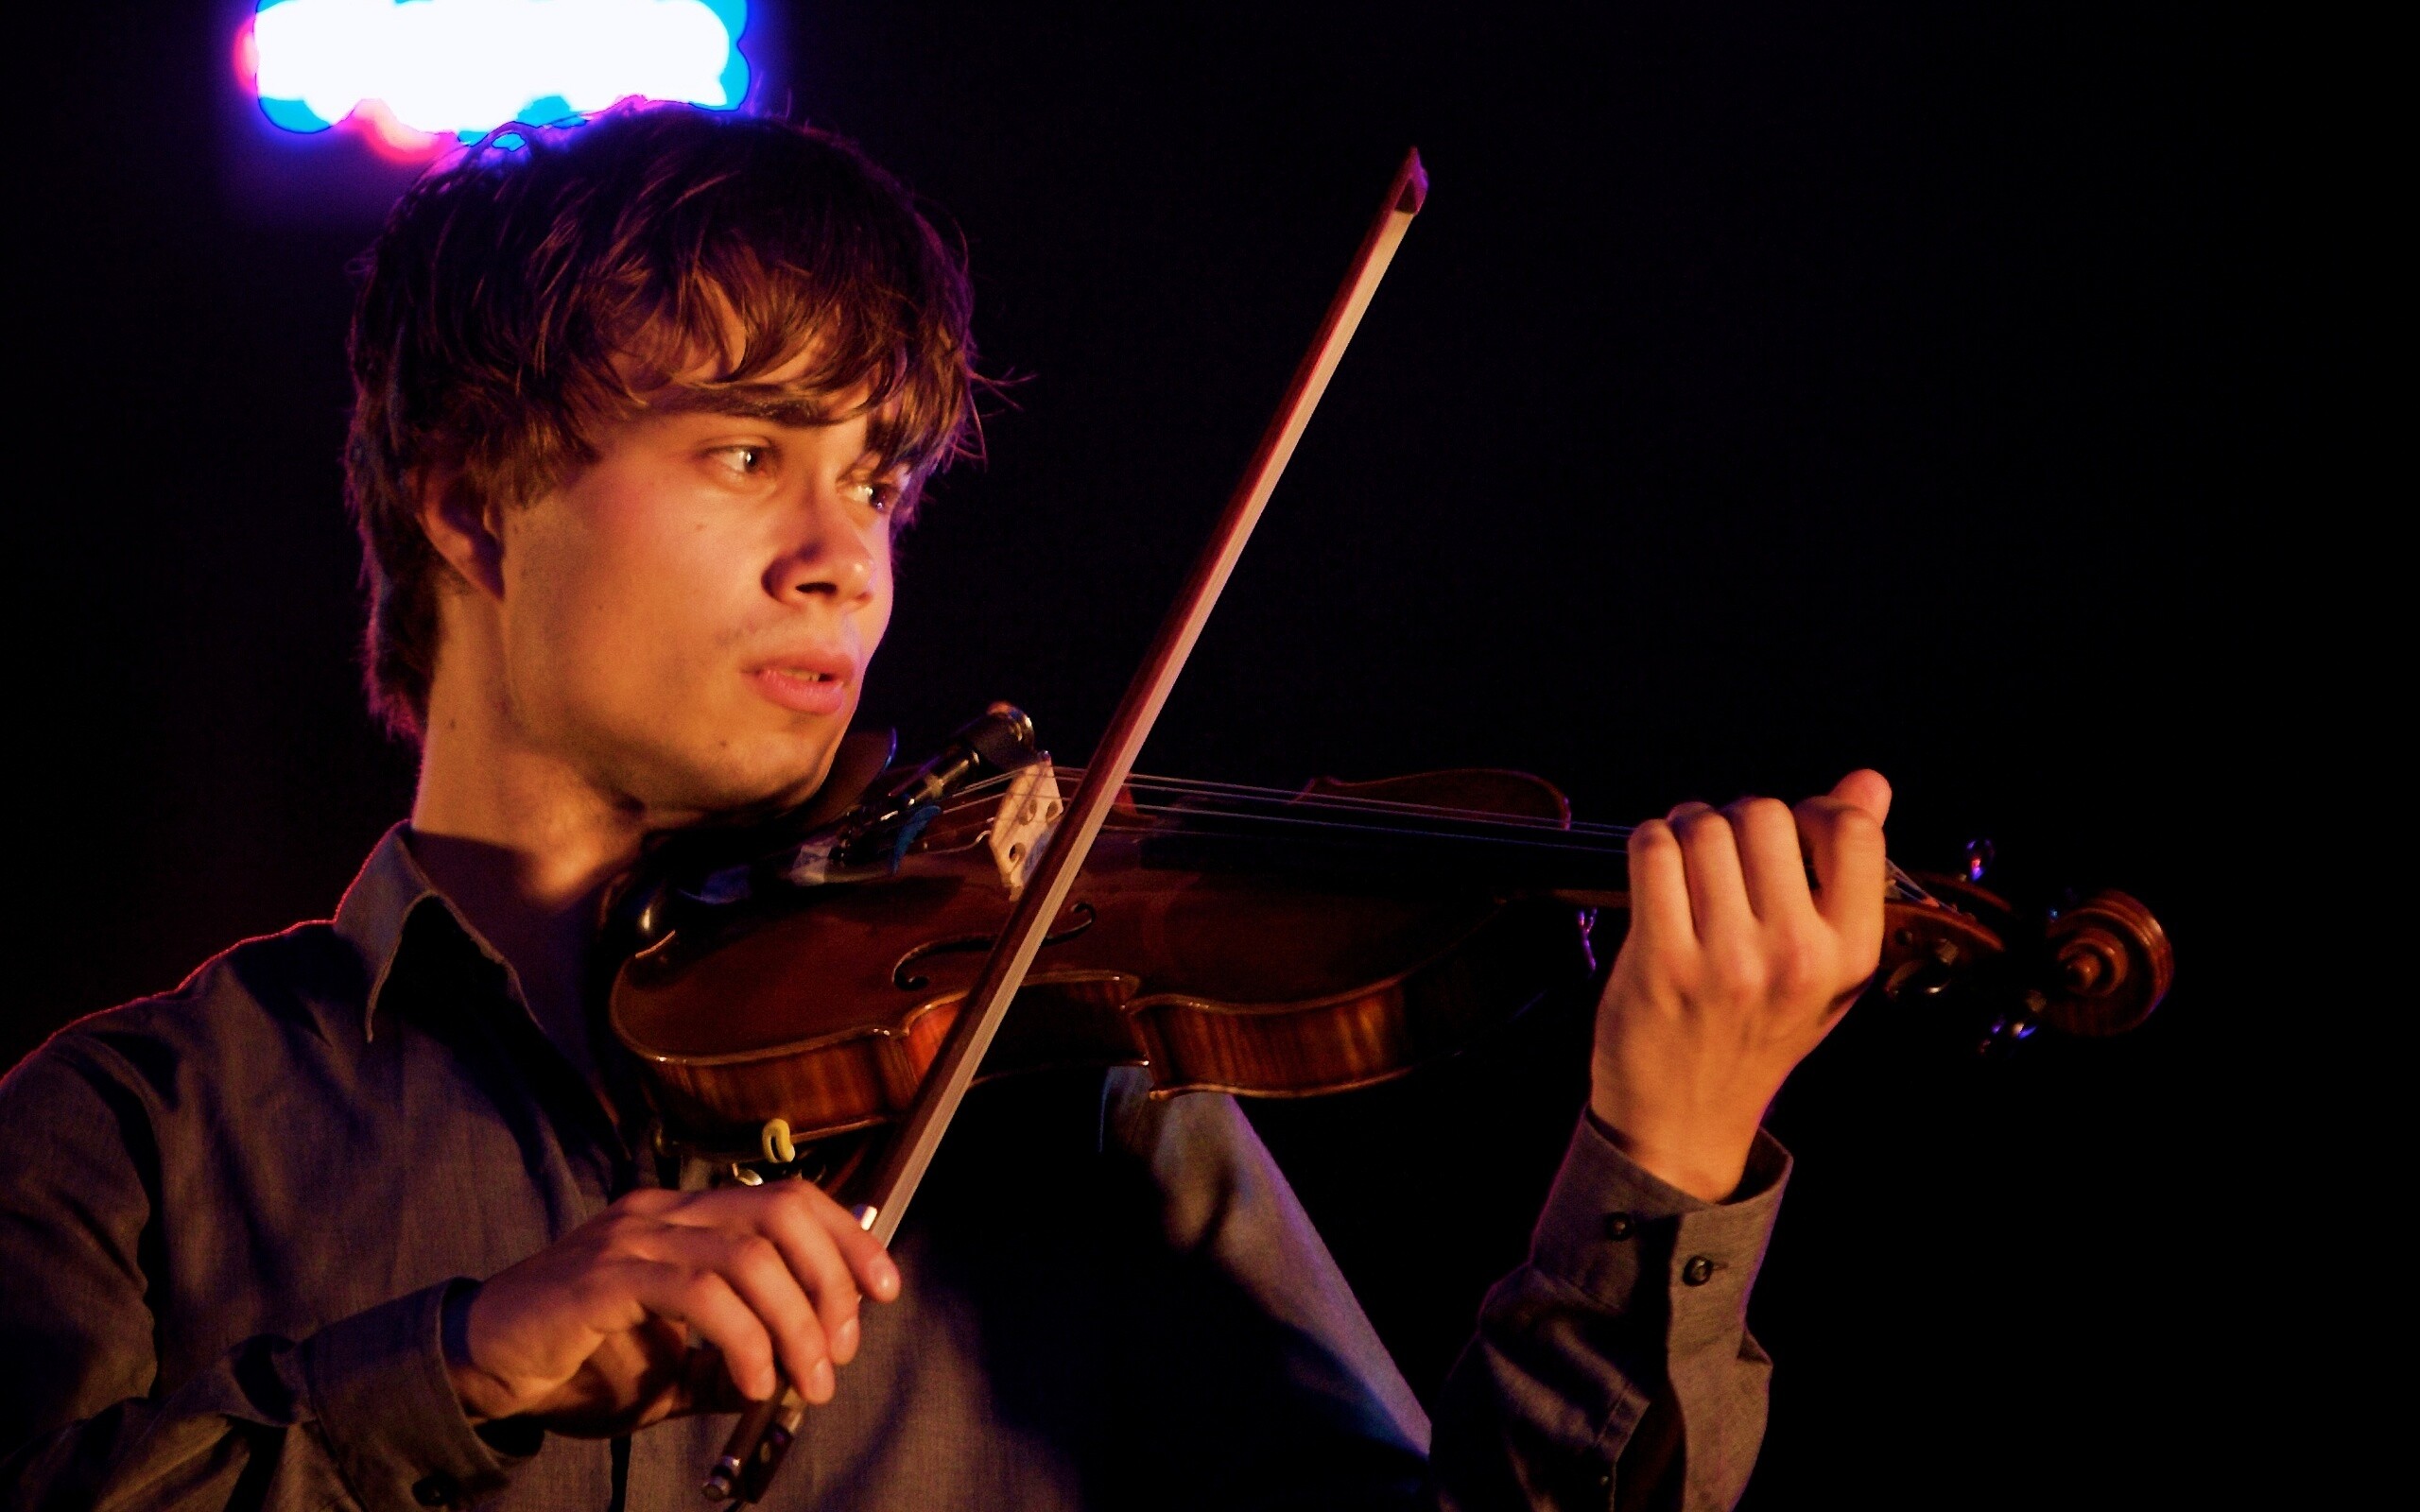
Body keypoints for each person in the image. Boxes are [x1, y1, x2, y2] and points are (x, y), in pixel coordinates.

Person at [0, 105, 1891, 1511]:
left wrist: (1661, 1164)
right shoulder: (125, 1135)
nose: (846, 560)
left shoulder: (1056, 1099)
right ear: (473, 502)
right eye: (747, 452)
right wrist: (466, 1362)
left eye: (876, 482)